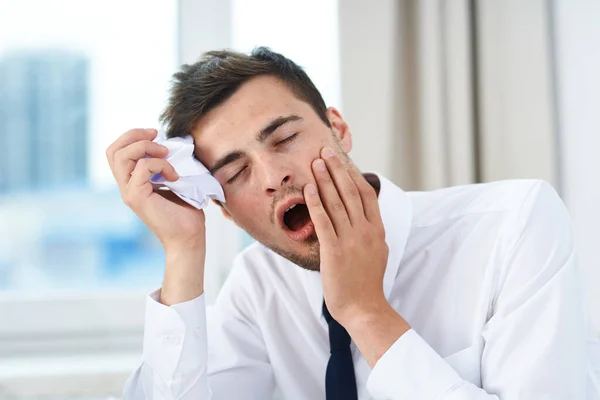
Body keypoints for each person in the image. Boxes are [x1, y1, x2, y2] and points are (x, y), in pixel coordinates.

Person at [107, 47, 600, 399]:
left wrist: (365, 311)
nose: (275, 175)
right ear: (225, 208)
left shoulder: (513, 225)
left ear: (338, 128)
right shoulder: (259, 287)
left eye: (284, 140)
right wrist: (183, 252)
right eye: (236, 173)